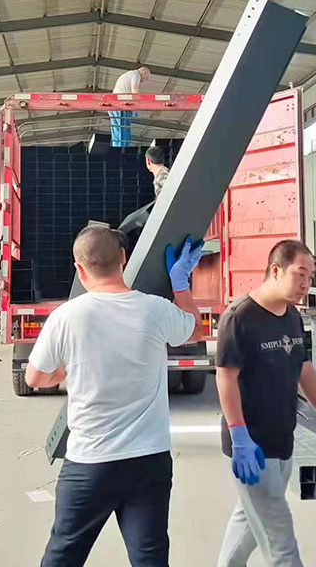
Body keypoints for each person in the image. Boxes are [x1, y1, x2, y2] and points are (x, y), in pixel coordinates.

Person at [25, 225, 205, 567]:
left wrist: (65, 372)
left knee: (63, 556)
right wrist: (180, 282)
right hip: (149, 461)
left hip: (89, 464)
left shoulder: (66, 316)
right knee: (150, 558)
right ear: (123, 258)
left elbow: (34, 377)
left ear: (79, 269)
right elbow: (195, 330)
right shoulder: (154, 310)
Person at [215, 239, 316, 567]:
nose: (306, 283)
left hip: (282, 440)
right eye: (300, 274)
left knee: (249, 522)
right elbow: (226, 378)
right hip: (253, 446)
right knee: (280, 540)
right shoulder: (240, 317)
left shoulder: (292, 316)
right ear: (276, 270)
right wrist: (239, 435)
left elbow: (304, 368)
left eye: (311, 276)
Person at [109, 66, 152, 147]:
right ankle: (122, 149)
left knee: (116, 130)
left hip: (113, 105)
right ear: (144, 73)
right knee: (123, 130)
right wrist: (136, 106)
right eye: (146, 78)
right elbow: (134, 89)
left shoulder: (128, 74)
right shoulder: (136, 75)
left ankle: (116, 148)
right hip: (122, 105)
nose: (144, 81)